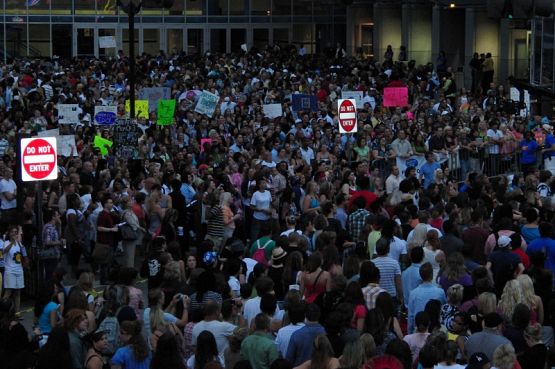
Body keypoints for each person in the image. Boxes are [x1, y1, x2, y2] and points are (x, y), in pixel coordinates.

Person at [407, 262, 446, 333]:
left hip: (420, 330)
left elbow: (411, 316)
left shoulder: (413, 293)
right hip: (434, 330)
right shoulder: (440, 292)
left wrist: (410, 333)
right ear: (432, 275)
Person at [2, 225, 25, 314]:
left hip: (19, 270)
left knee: (18, 292)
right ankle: (3, 312)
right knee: (8, 292)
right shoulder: (6, 242)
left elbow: (23, 252)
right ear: (9, 233)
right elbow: (4, 251)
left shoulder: (19, 243)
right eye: (12, 232)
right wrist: (12, 242)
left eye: (16, 232)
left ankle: (17, 312)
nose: (14, 234)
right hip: (10, 271)